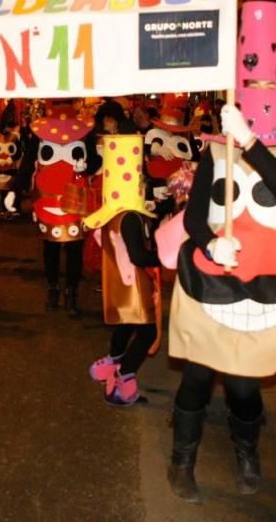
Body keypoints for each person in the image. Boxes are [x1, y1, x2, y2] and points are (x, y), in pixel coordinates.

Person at [166, 1, 276, 502]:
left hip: (267, 288)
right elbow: (192, 217)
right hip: (213, 277)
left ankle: (247, 450)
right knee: (196, 374)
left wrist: (249, 140)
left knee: (244, 386)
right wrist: (211, 240)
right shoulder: (215, 152)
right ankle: (182, 460)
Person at [84, 130, 160, 407]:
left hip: (120, 283)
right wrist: (162, 257)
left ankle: (111, 362)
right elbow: (139, 256)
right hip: (134, 285)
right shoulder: (130, 217)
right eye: (140, 179)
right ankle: (122, 376)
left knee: (126, 326)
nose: (143, 184)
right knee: (148, 333)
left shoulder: (113, 213)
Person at [23, 103, 101, 317]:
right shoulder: (39, 132)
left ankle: (72, 291)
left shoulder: (85, 131)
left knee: (75, 247)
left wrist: (85, 166)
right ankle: (53, 287)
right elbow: (29, 160)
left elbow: (95, 160)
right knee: (51, 247)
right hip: (47, 197)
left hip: (76, 193)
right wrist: (16, 187)